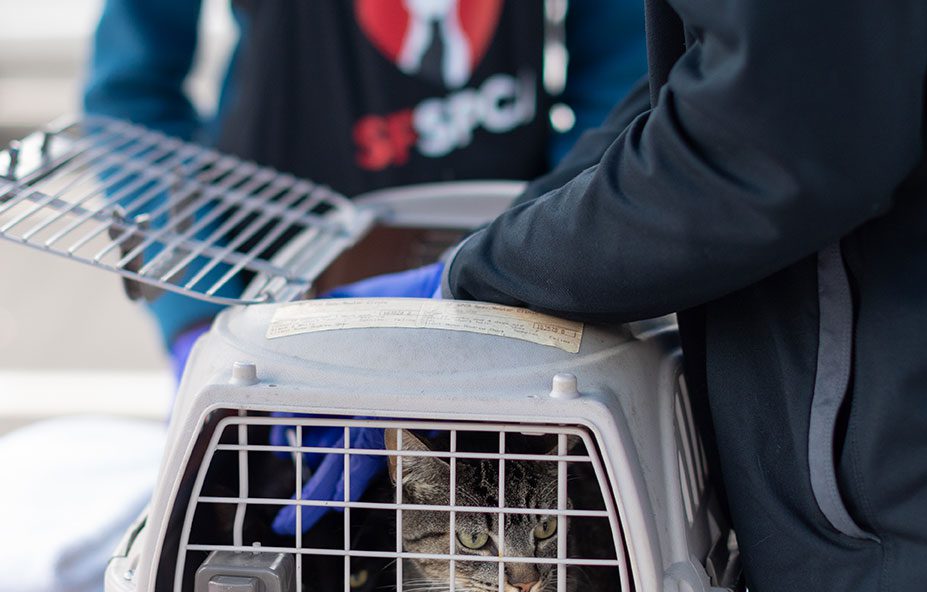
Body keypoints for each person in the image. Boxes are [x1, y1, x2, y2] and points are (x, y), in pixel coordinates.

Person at [420, 1, 927, 592]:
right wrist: (505, 238)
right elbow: (702, 75)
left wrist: (485, 269)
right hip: (921, 511)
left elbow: (772, 139)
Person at [82, 0, 647, 354]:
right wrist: (201, 314)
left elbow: (623, 71)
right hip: (273, 289)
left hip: (516, 294)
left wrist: (558, 241)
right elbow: (131, 96)